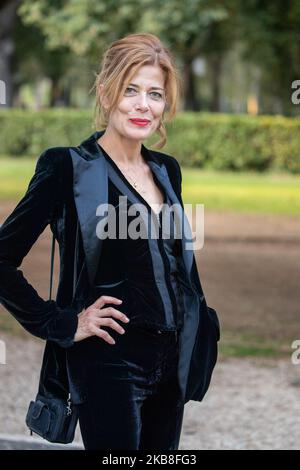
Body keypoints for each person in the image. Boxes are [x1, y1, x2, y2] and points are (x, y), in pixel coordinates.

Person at [0, 33, 220, 450]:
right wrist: (62, 323)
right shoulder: (67, 168)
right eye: (130, 90)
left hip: (172, 360)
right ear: (105, 92)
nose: (143, 105)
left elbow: (171, 263)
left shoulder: (166, 170)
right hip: (108, 362)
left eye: (155, 94)